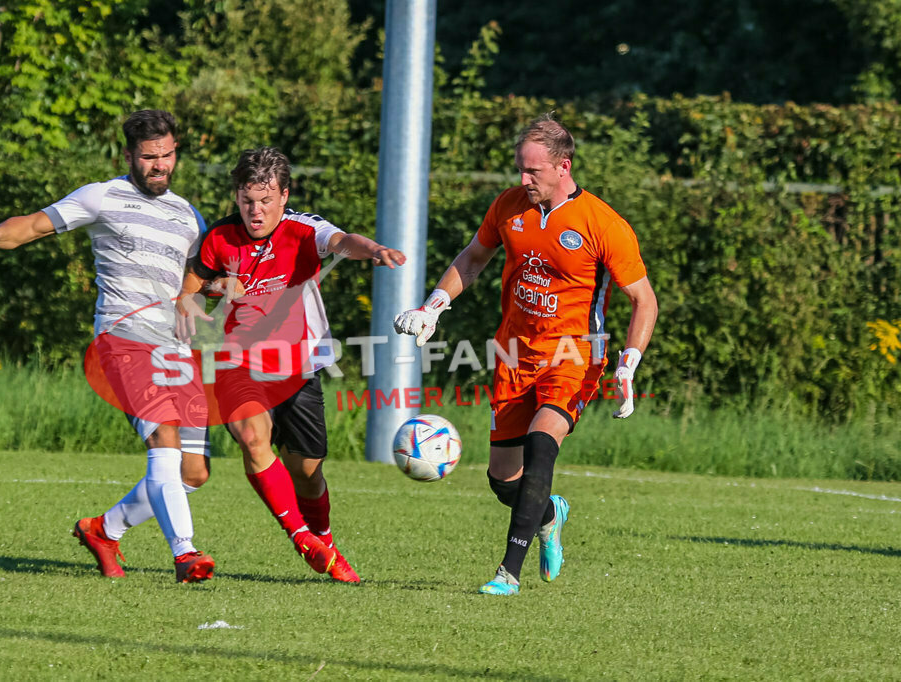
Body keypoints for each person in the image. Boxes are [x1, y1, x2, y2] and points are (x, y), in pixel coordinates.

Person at [394, 112, 658, 595]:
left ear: (563, 166)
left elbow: (644, 300)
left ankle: (507, 574)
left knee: (543, 444)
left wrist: (629, 361)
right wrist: (434, 306)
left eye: (533, 171)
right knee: (504, 482)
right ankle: (550, 512)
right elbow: (473, 258)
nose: (523, 179)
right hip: (514, 355)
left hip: (576, 355)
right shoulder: (509, 207)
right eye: (520, 168)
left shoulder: (603, 224)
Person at [0, 109, 216, 584]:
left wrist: (219, 291)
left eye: (167, 156)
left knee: (194, 472)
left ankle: (103, 530)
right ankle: (186, 553)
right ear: (128, 156)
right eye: (148, 157)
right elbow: (34, 224)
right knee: (164, 440)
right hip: (123, 341)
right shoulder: (102, 196)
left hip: (176, 347)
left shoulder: (187, 214)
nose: (159, 166)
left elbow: (196, 280)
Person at [176, 146, 406, 583]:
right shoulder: (219, 237)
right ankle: (303, 539)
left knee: (308, 473)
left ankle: (325, 539)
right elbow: (192, 285)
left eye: (265, 201)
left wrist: (372, 248)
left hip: (297, 365)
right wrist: (202, 293)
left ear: (284, 195)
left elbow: (341, 242)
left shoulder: (303, 229)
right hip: (238, 362)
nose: (255, 211)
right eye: (247, 201)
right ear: (236, 196)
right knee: (250, 435)